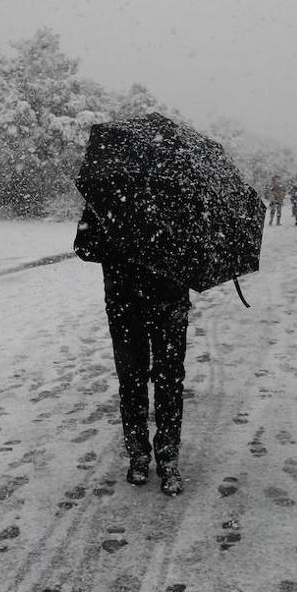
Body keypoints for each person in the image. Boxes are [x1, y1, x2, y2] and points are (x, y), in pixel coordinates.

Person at [75, 204, 191, 496]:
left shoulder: (180, 199)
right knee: (132, 380)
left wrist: (167, 245)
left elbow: (195, 251)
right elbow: (83, 246)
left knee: (169, 381)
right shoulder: (109, 196)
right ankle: (138, 452)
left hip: (168, 304)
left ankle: (167, 455)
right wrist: (118, 244)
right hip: (126, 305)